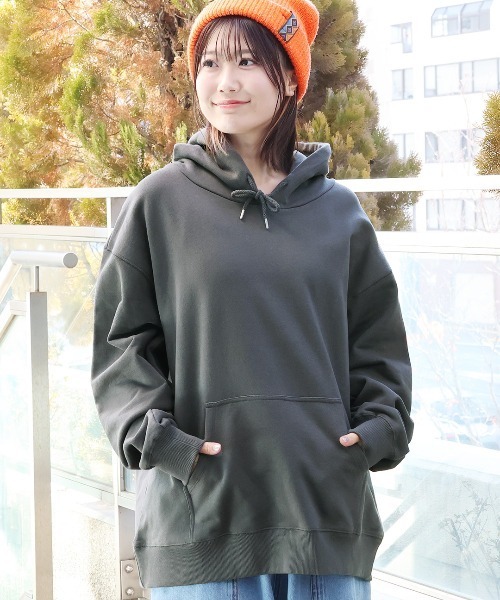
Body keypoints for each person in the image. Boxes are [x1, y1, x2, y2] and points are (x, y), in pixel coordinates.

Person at [91, 0, 413, 597]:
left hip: (323, 515)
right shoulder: (159, 203)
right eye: (210, 63)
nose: (225, 81)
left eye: (246, 62)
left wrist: (376, 430)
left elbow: (377, 339)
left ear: (289, 78)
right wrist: (165, 443)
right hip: (203, 518)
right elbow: (122, 344)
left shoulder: (338, 213)